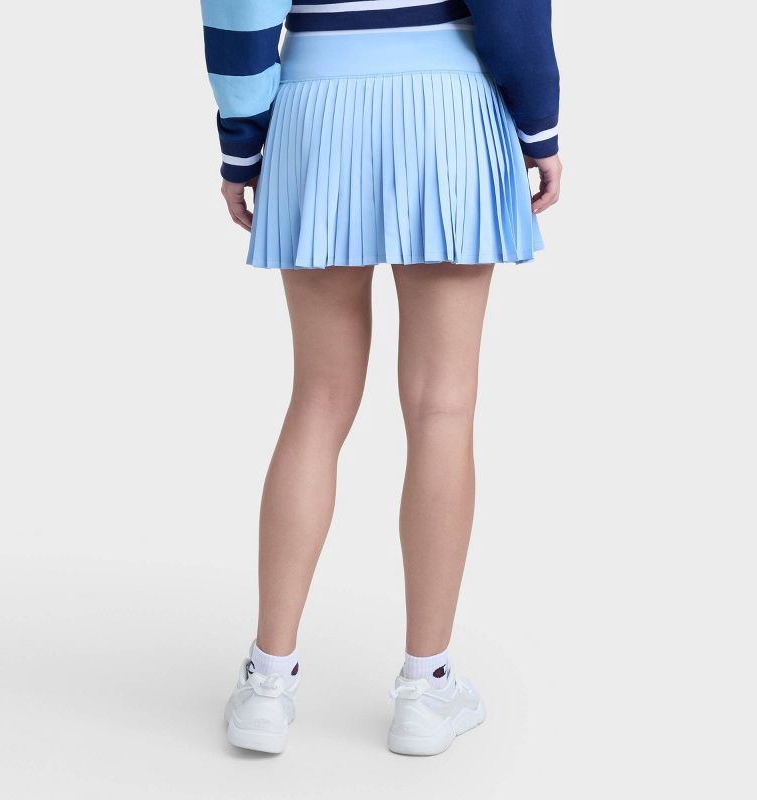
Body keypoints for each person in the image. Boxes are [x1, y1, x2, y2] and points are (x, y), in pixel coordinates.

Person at [201, 0, 561, 756]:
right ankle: (426, 692)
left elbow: (240, 10)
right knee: (443, 408)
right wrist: (539, 125)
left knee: (318, 400)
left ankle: (267, 684)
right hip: (449, 107)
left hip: (316, 108)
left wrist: (242, 146)